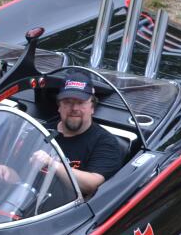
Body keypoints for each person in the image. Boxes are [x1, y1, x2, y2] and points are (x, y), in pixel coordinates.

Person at [30, 68, 125, 197]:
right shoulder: (41, 132)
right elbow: (19, 174)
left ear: (92, 107)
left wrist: (53, 164)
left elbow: (91, 185)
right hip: (27, 203)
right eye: (68, 102)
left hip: (71, 211)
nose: (74, 108)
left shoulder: (104, 142)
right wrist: (4, 172)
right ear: (59, 106)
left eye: (80, 103)